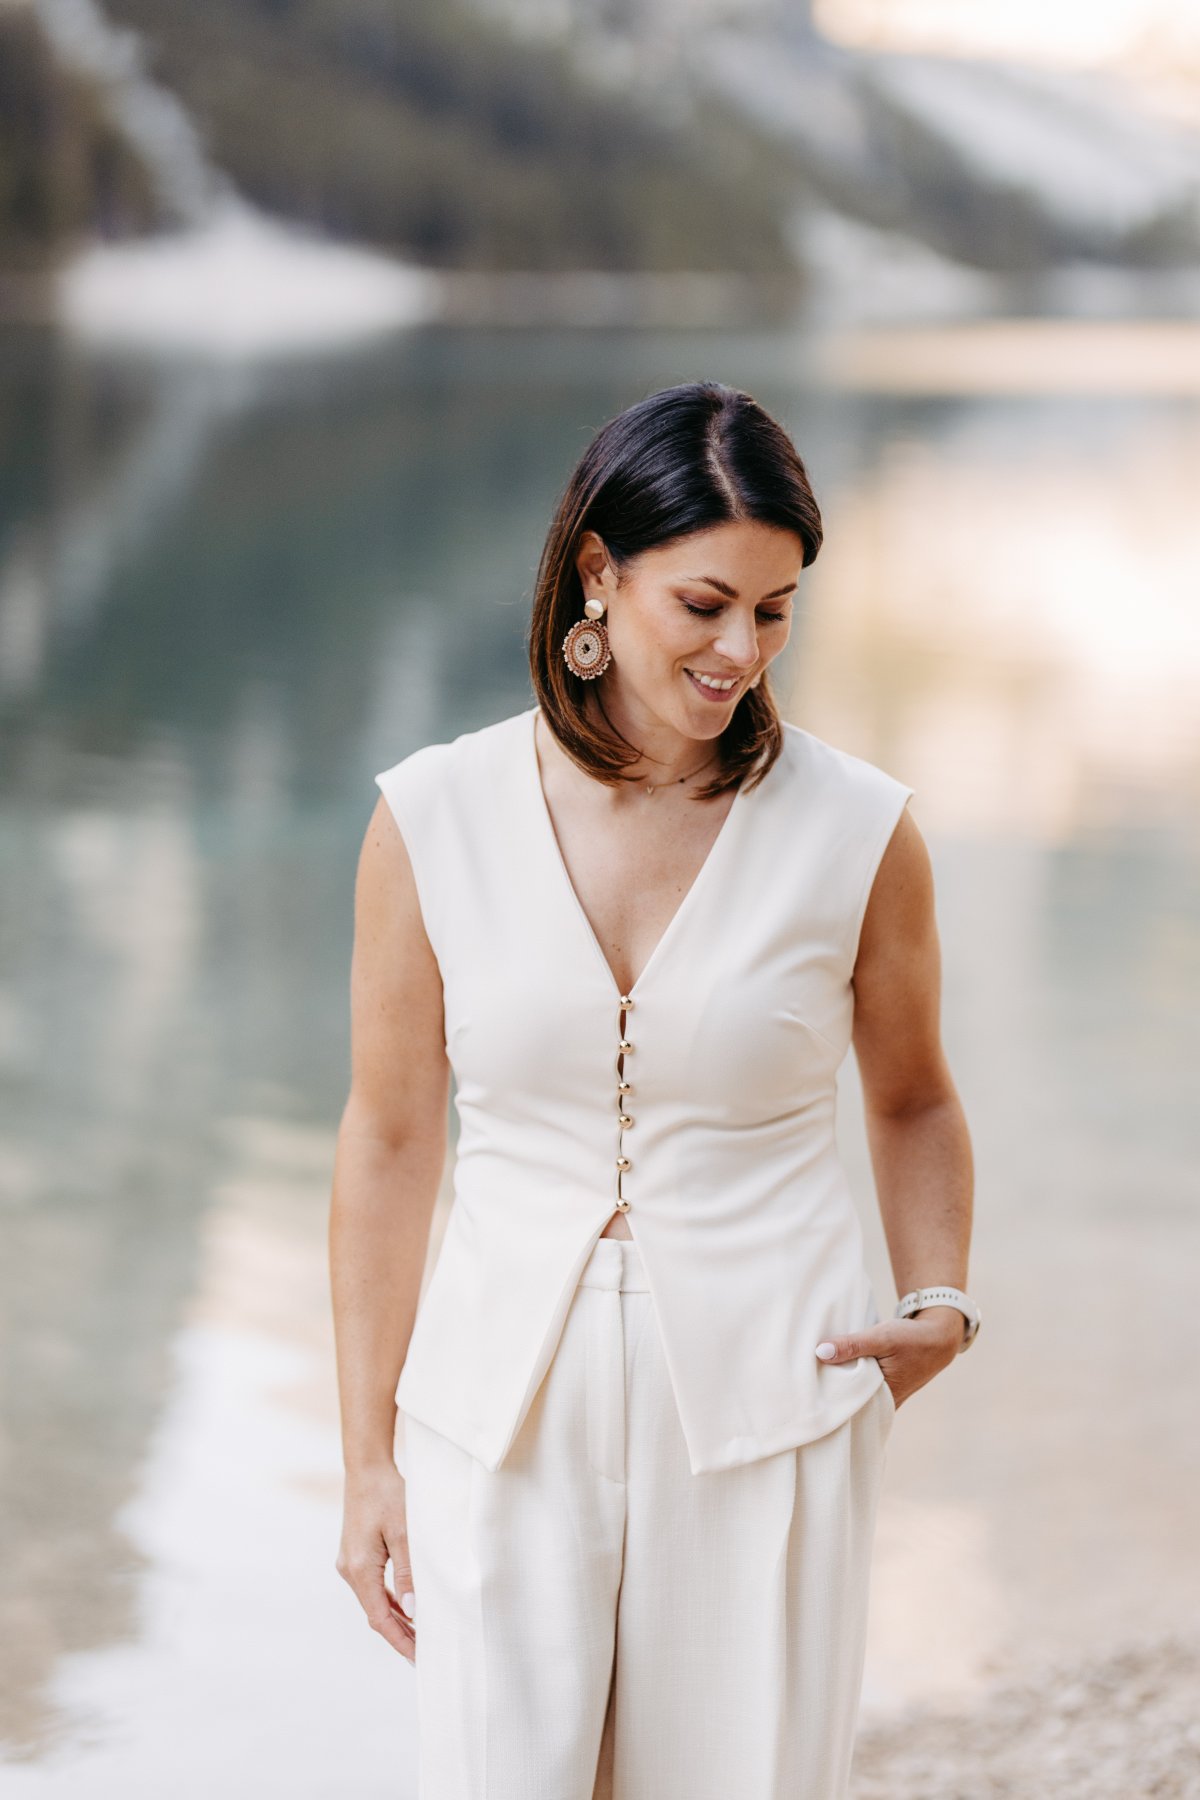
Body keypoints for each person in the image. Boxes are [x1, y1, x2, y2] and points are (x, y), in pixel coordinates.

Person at [329, 380, 978, 1799]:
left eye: (776, 609)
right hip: (495, 1418)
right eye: (705, 603)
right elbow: (388, 1139)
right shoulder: (431, 818)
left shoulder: (860, 831)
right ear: (597, 574)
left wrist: (940, 1299)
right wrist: (367, 1459)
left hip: (777, 1403)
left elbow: (914, 1098)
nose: (743, 649)